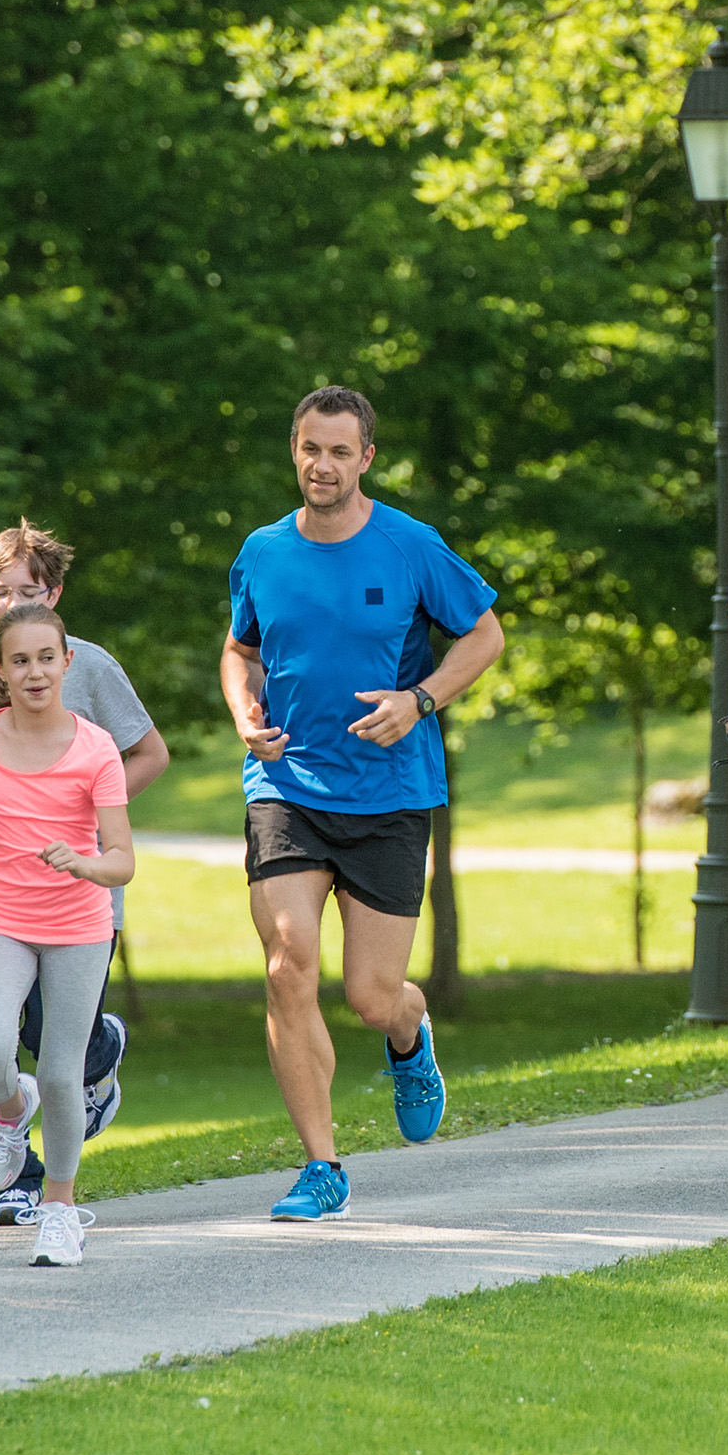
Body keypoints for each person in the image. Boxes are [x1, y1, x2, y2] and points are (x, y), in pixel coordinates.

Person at [220, 385, 505, 1223]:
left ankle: (407, 1037)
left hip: (389, 793)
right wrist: (243, 710)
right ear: (295, 449)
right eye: (311, 447)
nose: (323, 464)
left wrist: (419, 699)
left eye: (341, 451)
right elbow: (240, 648)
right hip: (288, 785)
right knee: (287, 962)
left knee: (371, 994)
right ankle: (322, 1165)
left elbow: (484, 633)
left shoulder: (410, 545)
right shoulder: (263, 551)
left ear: (366, 457)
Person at [0, 521, 167, 1226]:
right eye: (0, 589)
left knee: (57, 1042)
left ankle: (99, 1058)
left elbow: (149, 754)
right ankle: (15, 1178)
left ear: (54, 592)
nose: (14, 598)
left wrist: (86, 813)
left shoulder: (91, 668)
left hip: (78, 890)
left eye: (30, 588)